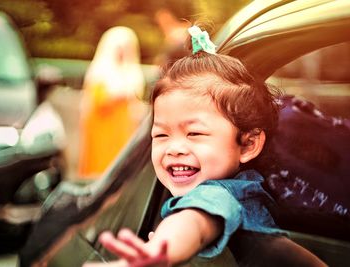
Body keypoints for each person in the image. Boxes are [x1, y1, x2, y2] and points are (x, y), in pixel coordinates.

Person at [83, 25, 326, 266]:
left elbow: (194, 221)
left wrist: (161, 249)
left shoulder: (222, 193)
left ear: (248, 144)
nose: (174, 148)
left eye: (195, 133)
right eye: (161, 135)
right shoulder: (249, 189)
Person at [78, 26, 147, 179]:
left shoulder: (131, 71)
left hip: (123, 129)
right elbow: (98, 101)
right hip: (103, 128)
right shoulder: (100, 72)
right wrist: (118, 96)